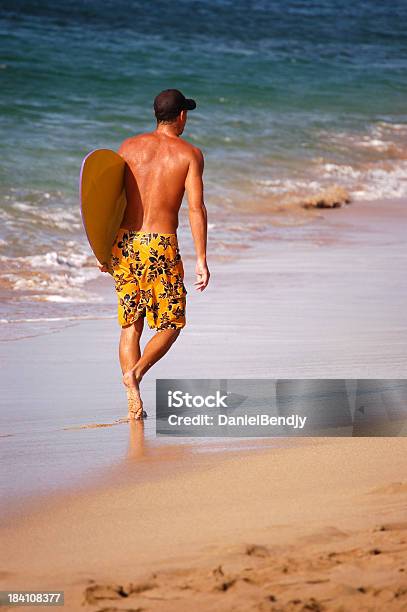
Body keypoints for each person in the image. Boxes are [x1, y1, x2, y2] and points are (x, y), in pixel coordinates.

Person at [99, 89, 210, 419]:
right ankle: (136, 373)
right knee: (171, 323)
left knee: (131, 322)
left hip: (125, 243)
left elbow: (107, 200)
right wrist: (201, 258)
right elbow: (195, 209)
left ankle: (134, 404)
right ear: (181, 116)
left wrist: (102, 246)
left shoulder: (128, 147)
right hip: (159, 246)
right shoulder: (190, 154)